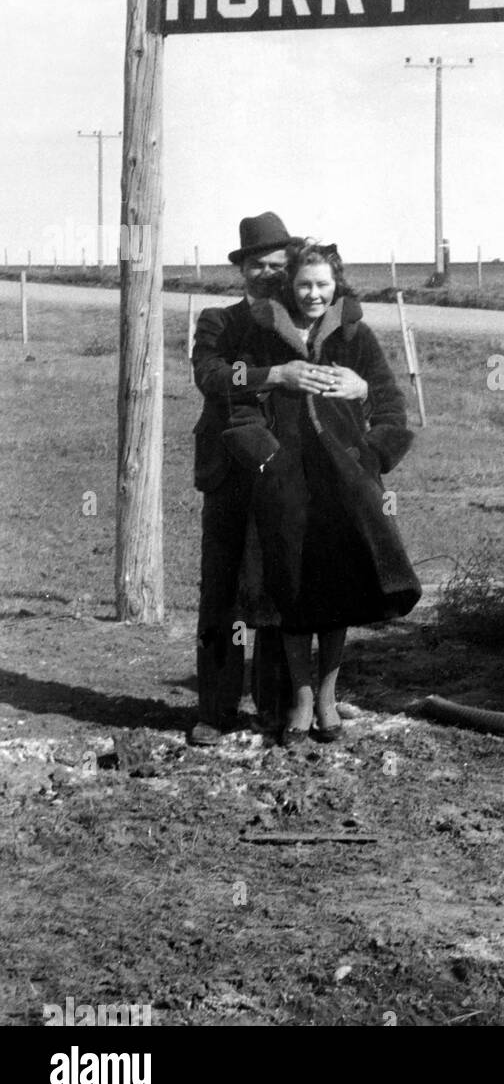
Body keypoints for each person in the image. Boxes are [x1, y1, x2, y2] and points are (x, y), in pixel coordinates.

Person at [225, 239, 420, 745]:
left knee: (338, 592)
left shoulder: (356, 336)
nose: (313, 294)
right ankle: (302, 699)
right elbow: (240, 399)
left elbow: (392, 406)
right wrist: (266, 459)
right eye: (304, 284)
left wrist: (369, 454)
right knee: (291, 591)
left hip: (343, 487)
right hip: (283, 485)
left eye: (322, 284)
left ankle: (329, 698)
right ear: (291, 286)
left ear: (336, 285)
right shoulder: (265, 334)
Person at [189, 210, 307, 746]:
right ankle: (214, 711)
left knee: (278, 590)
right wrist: (272, 375)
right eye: (257, 264)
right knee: (221, 593)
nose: (266, 273)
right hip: (227, 473)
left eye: (276, 265)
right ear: (242, 270)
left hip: (282, 471)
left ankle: (277, 706)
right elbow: (212, 377)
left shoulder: (294, 324)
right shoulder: (220, 320)